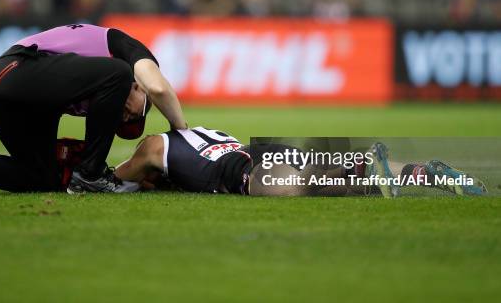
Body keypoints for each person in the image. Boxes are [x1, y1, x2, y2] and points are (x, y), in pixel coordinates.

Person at [0, 23, 187, 195]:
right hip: (15, 70)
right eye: (137, 112)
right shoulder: (127, 53)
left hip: (3, 96)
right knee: (117, 73)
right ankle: (90, 175)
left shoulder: (101, 89)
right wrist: (183, 135)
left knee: (43, 176)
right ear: (138, 86)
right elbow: (159, 89)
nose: (127, 115)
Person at [106, 128, 487, 197]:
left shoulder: (153, 148)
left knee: (293, 188)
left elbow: (114, 177)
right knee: (335, 181)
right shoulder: (197, 133)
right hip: (259, 150)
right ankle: (420, 172)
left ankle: (367, 165)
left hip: (241, 171)